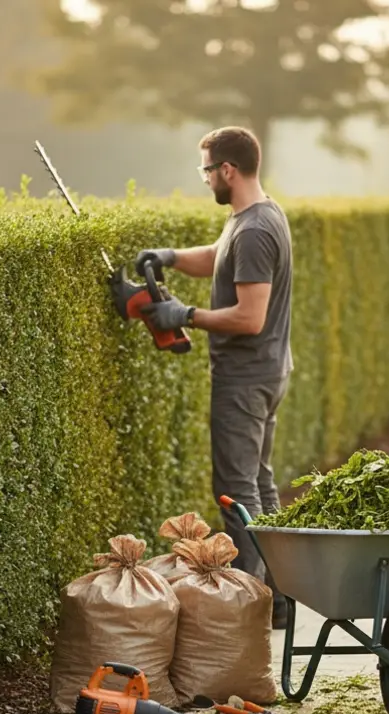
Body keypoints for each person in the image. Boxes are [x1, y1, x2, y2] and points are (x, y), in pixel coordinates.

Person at [136, 126, 294, 629]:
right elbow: (219, 257)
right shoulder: (255, 217)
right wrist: (171, 258)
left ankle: (248, 609)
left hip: (246, 377)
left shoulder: (252, 230)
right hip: (268, 371)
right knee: (260, 486)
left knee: (235, 492)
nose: (205, 179)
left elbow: (250, 316)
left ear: (227, 169)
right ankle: (279, 596)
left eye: (207, 170)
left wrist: (186, 316)